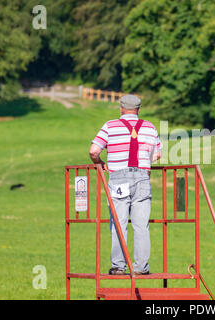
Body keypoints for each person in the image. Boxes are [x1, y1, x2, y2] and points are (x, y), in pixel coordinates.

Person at [89, 94, 162, 275]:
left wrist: (99, 163)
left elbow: (93, 151)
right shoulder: (149, 127)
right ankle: (141, 267)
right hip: (143, 178)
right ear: (138, 109)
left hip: (119, 178)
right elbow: (157, 154)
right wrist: (145, 161)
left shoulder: (110, 126)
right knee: (141, 224)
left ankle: (119, 266)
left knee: (119, 223)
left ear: (121, 108)